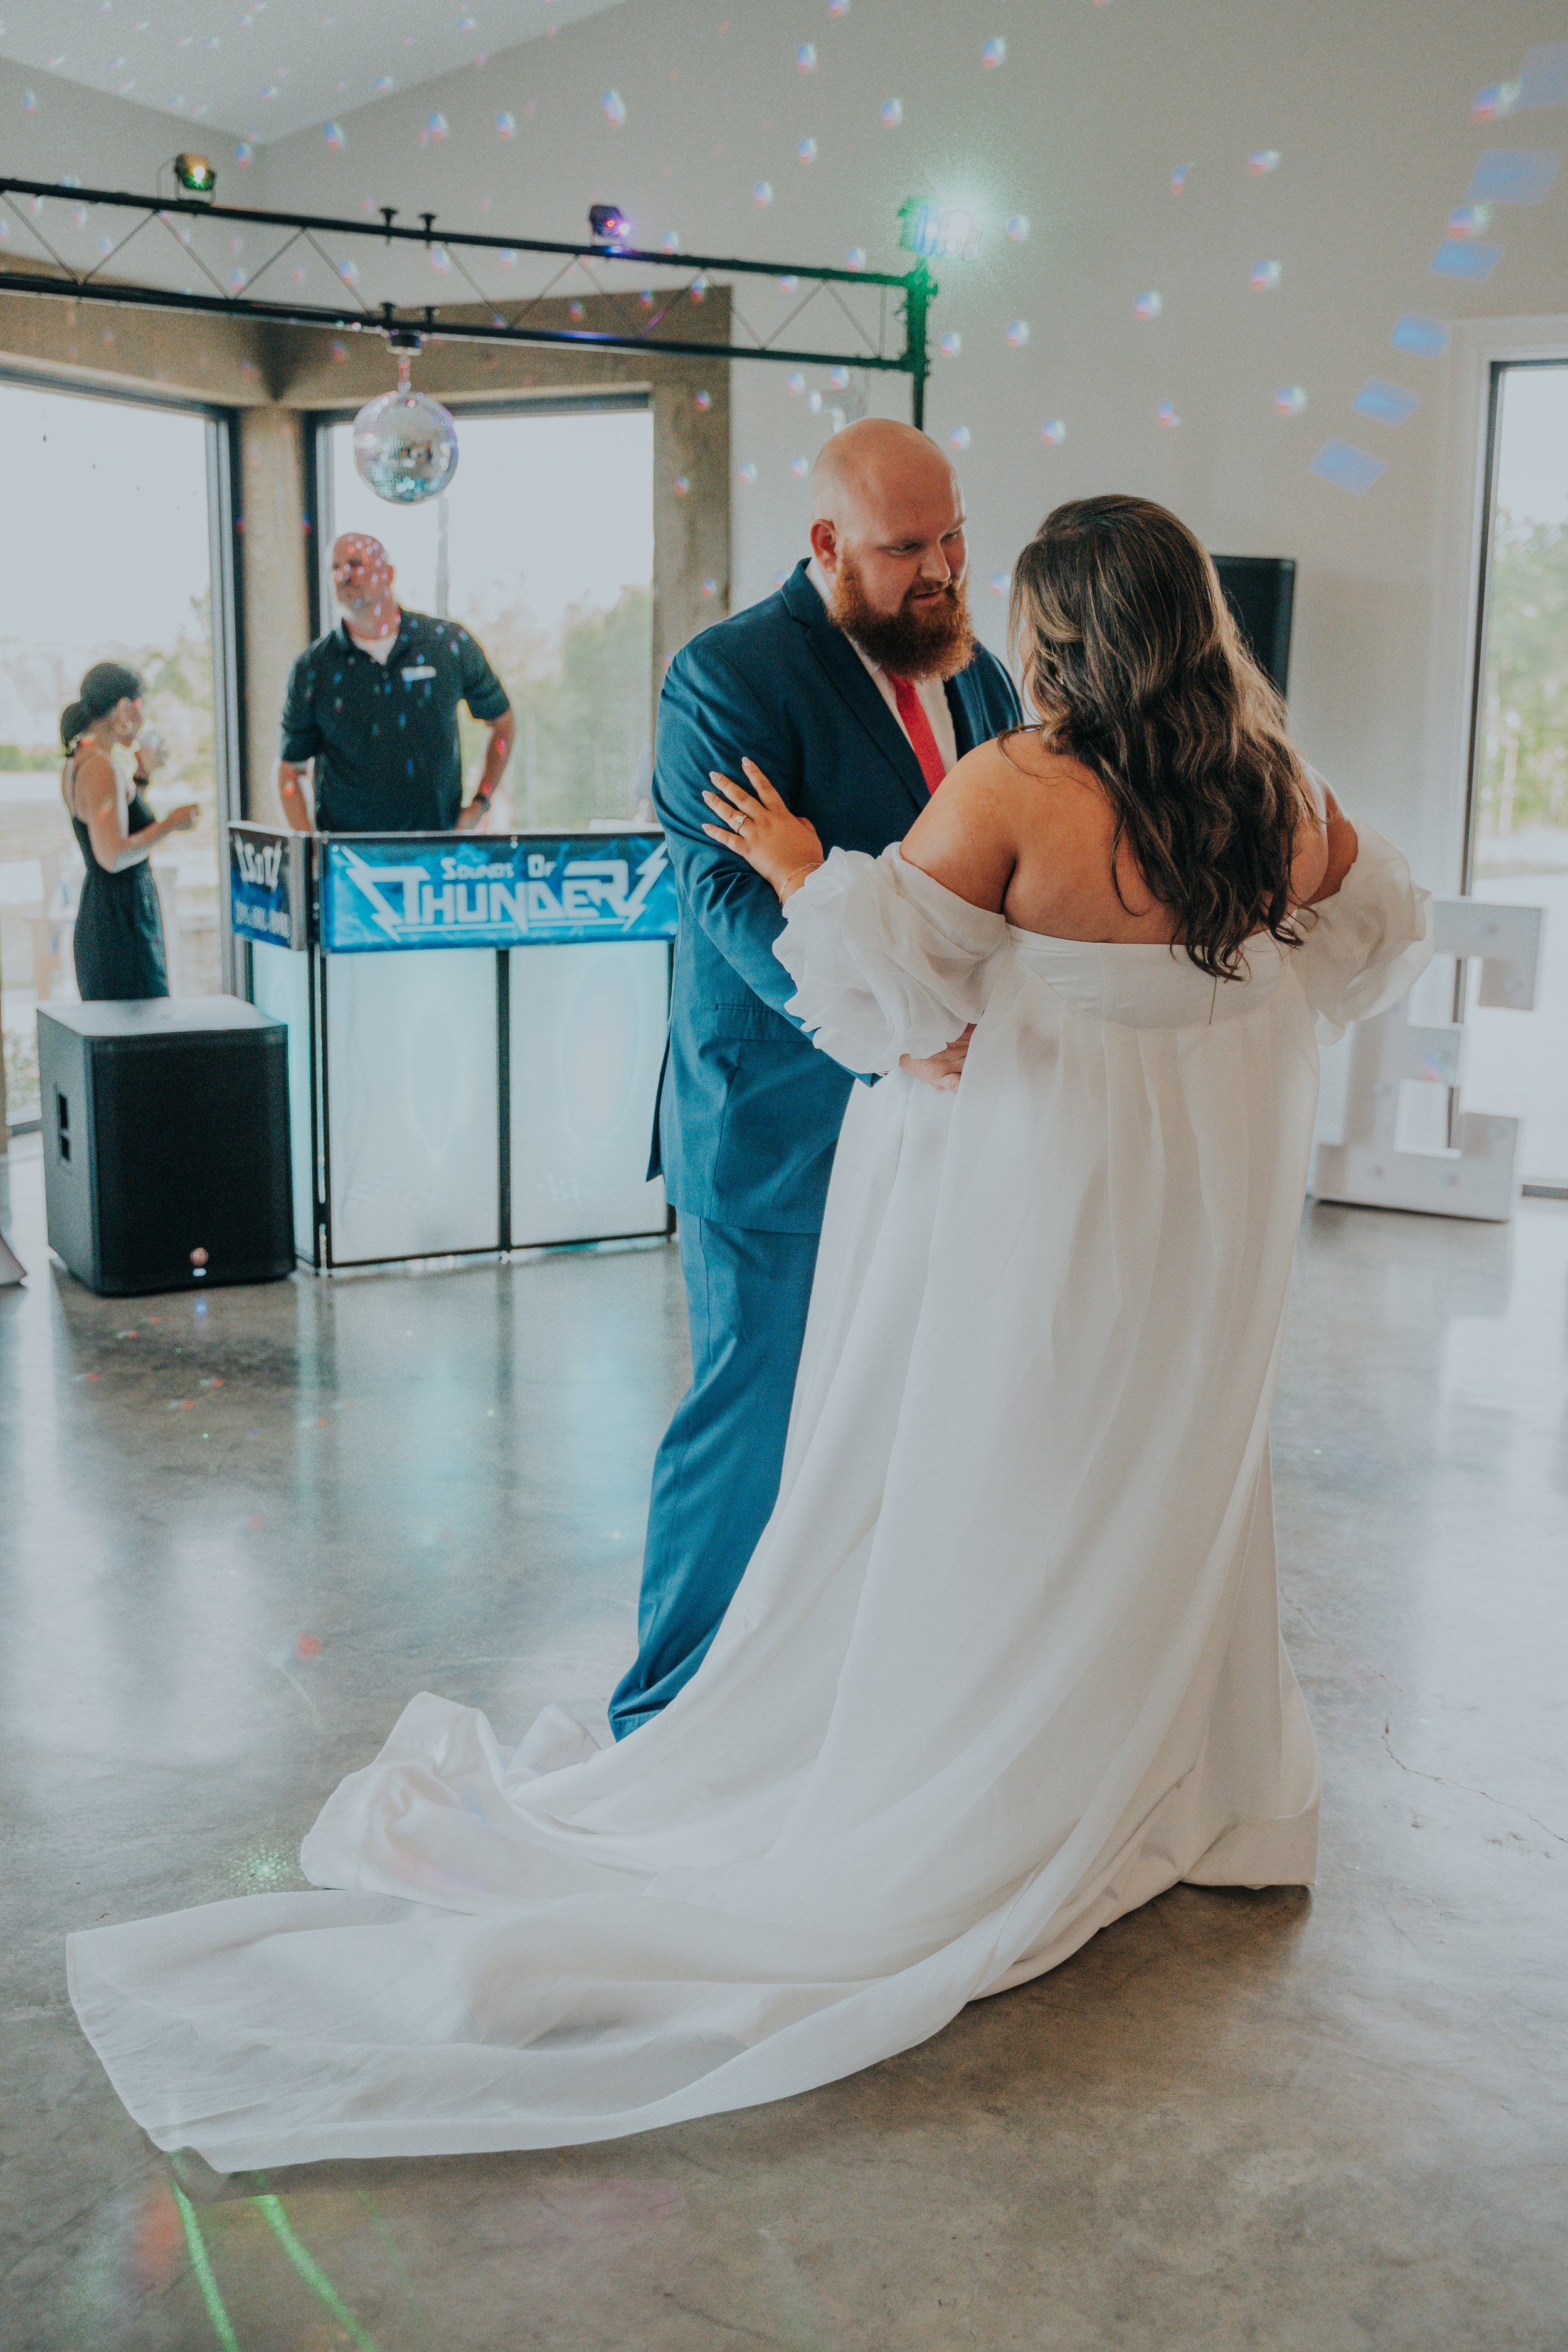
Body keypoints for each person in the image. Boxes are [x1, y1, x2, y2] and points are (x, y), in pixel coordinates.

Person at [66, 492, 1433, 2172]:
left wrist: (799, 861)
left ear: (1067, 628)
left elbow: (883, 999)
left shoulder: (1020, 782)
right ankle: (1163, 1774)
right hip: (1204, 1233)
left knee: (1003, 1474)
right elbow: (1368, 947)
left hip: (1038, 1209)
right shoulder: (1277, 791)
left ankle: (984, 1775)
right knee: (1156, 1474)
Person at [612, 417, 1021, 1739]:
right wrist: (880, 1032)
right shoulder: (724, 674)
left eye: (953, 535)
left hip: (953, 1124)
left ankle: (849, 1698)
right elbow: (730, 893)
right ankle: (665, 1711)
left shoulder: (981, 681)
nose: (943, 569)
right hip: (775, 1118)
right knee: (755, 1407)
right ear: (826, 545)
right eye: (908, 548)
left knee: (911, 1411)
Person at [278, 533, 515, 834]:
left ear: (388, 574)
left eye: (355, 564)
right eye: (335, 568)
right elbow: (289, 770)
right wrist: (311, 850)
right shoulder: (313, 669)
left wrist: (481, 801)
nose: (344, 576)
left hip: (436, 850)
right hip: (351, 861)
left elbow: (502, 722)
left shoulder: (446, 645)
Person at [59, 662, 200, 1002]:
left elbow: (113, 827)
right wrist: (172, 823)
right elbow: (113, 855)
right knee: (140, 1042)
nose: (142, 721)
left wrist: (141, 776)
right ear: (124, 708)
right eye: (141, 708)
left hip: (108, 914)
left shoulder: (83, 759)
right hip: (120, 924)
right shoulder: (100, 766)